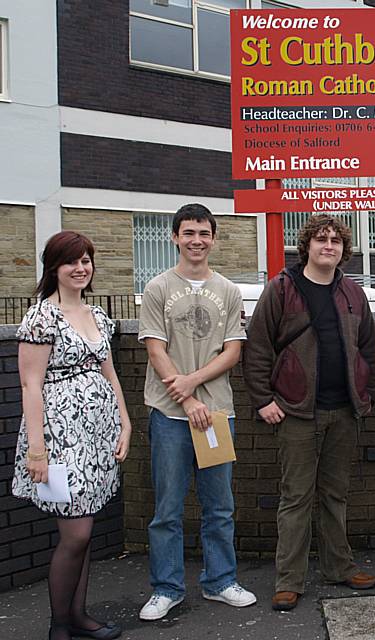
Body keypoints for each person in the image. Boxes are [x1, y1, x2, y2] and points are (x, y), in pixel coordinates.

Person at [243, 214, 375, 611]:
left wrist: (366, 396)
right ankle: (289, 580)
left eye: (336, 240)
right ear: (307, 245)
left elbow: (368, 349)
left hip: (343, 411)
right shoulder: (282, 289)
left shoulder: (353, 293)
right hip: (295, 411)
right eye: (321, 239)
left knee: (335, 494)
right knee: (296, 497)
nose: (329, 246)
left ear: (344, 249)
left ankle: (340, 566)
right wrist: (263, 400)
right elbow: (258, 349)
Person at [138, 203, 255, 621]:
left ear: (213, 238)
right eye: (189, 233)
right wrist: (186, 397)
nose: (197, 240)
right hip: (169, 415)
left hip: (218, 414)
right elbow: (155, 349)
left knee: (219, 505)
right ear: (174, 237)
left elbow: (233, 351)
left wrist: (195, 384)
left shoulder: (227, 290)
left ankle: (220, 581)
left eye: (204, 233)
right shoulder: (158, 288)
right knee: (167, 509)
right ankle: (166, 588)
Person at [12, 231, 131, 640]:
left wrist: (125, 422)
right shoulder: (41, 317)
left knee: (86, 531)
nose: (81, 269)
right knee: (75, 533)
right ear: (54, 268)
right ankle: (59, 623)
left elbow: (108, 371)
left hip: (98, 434)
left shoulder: (97, 316)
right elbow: (30, 384)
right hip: (59, 438)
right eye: (71, 262)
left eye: (86, 260)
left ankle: (78, 616)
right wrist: (37, 450)